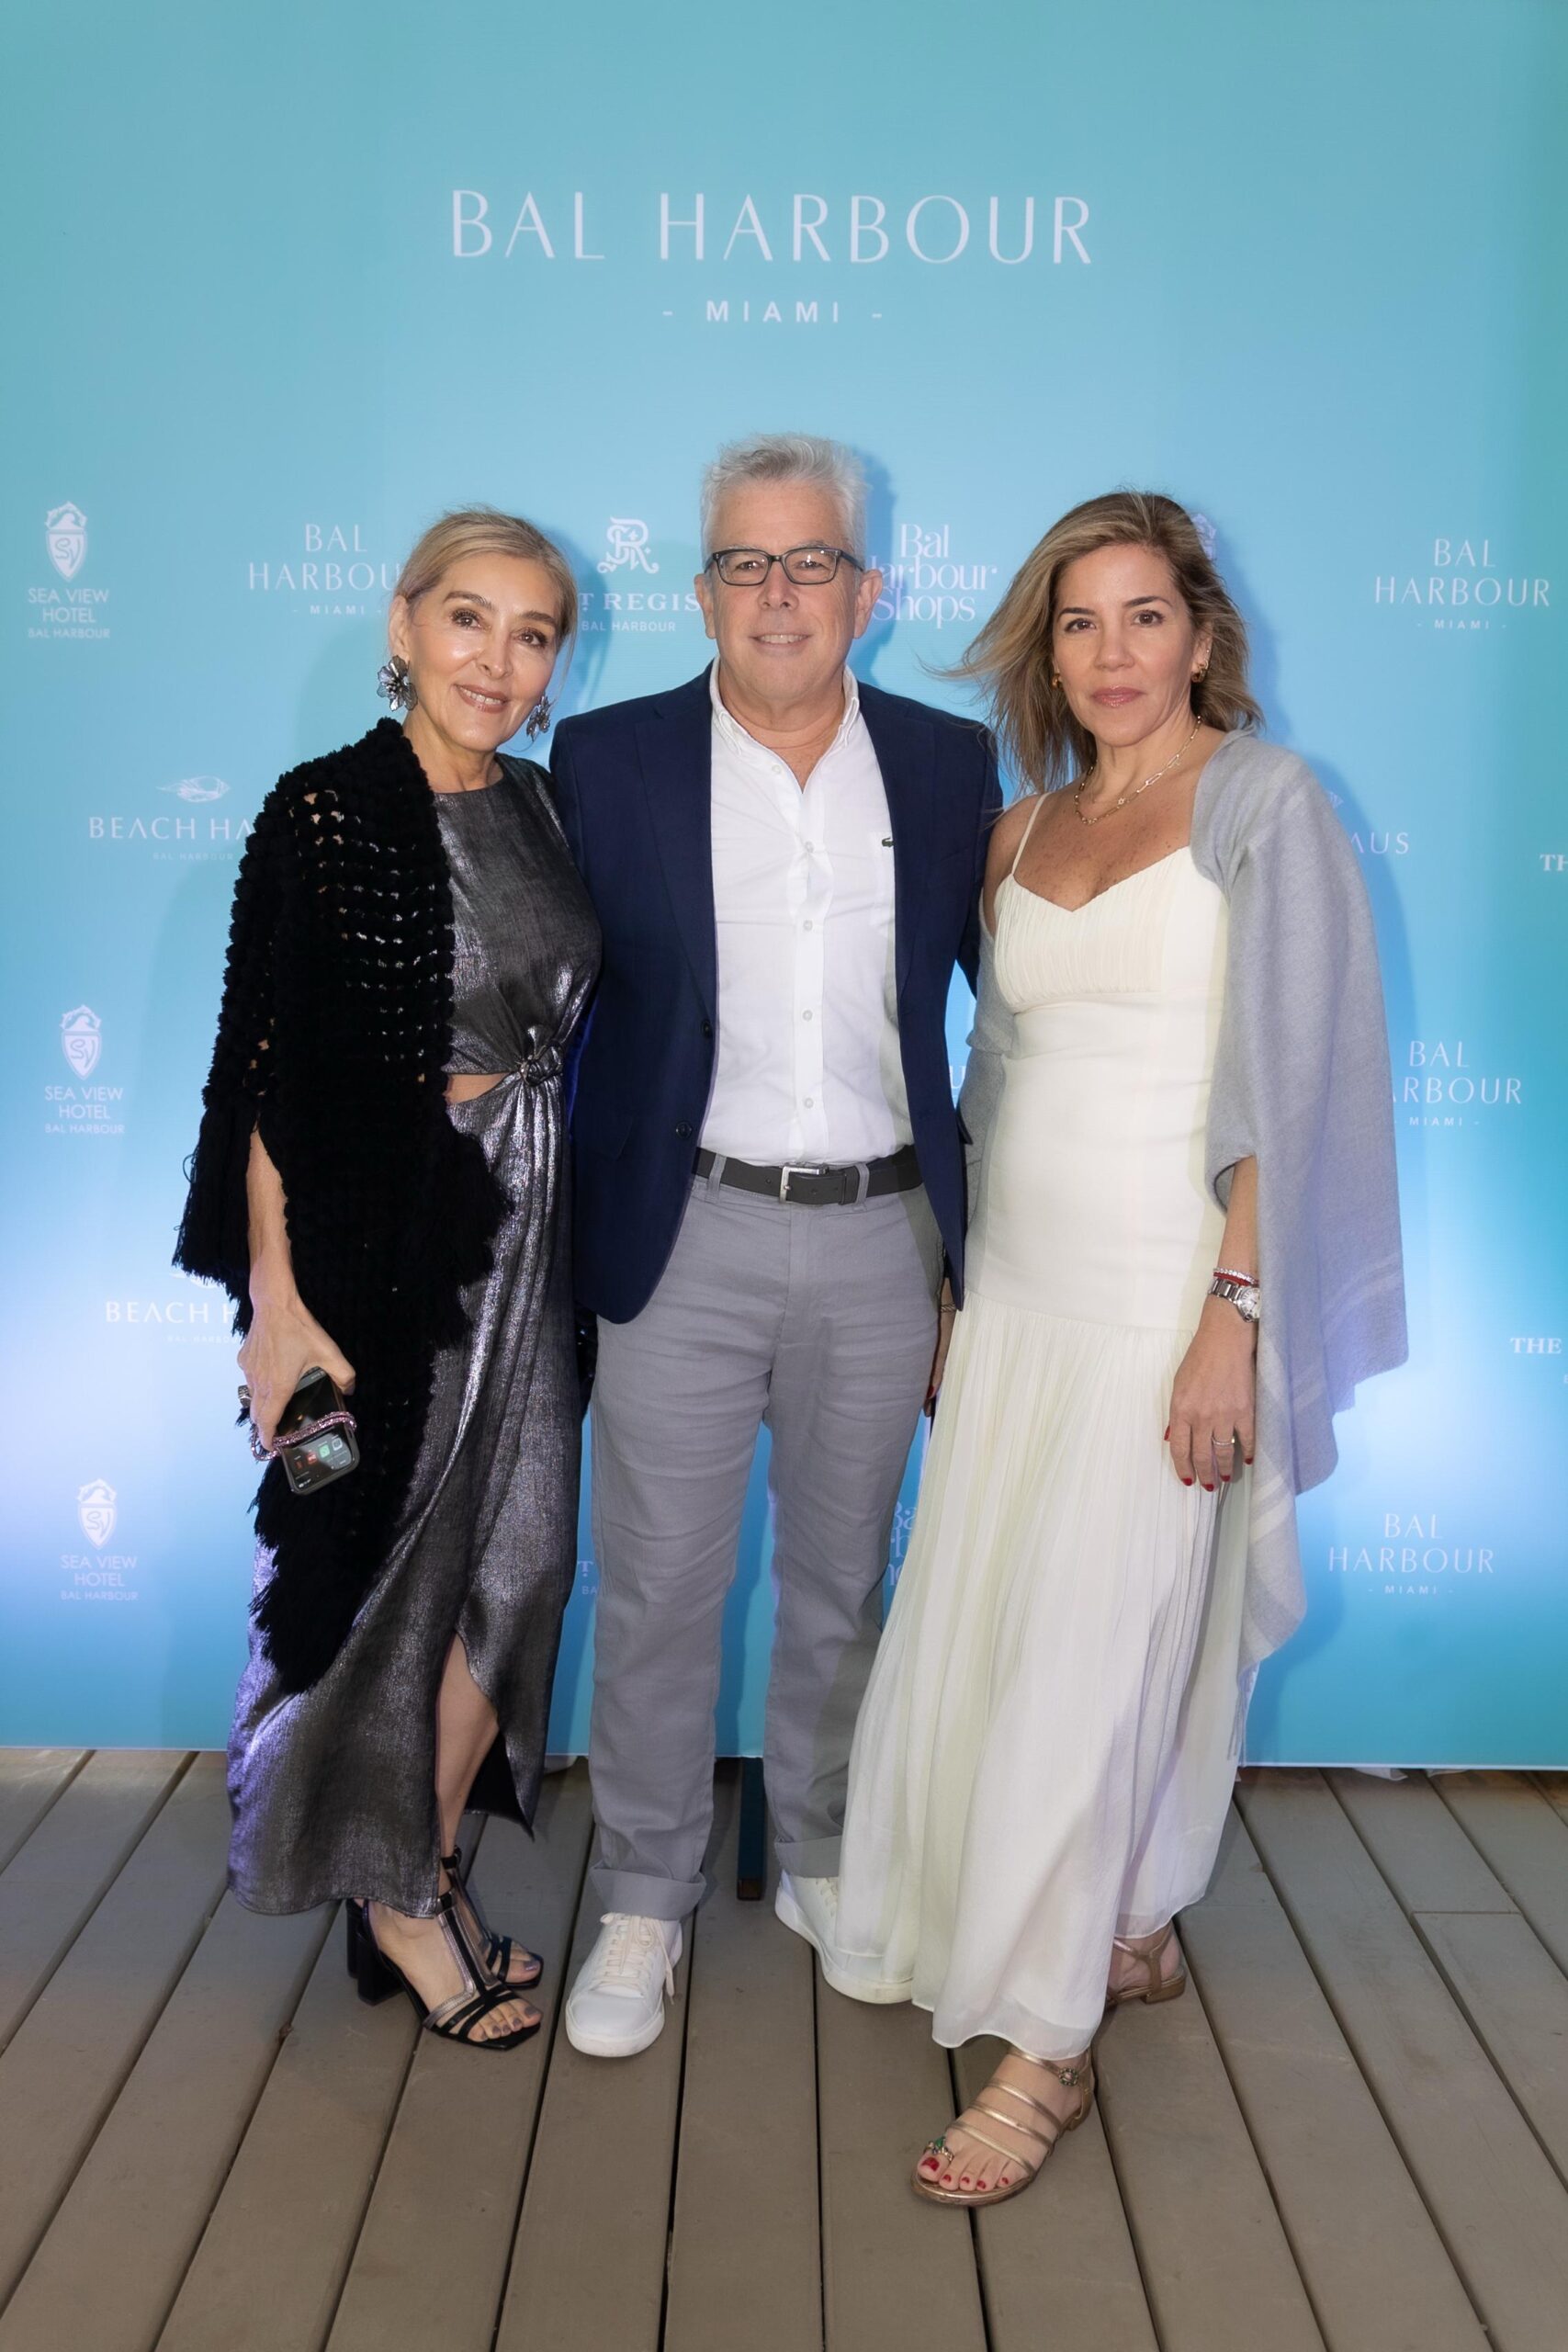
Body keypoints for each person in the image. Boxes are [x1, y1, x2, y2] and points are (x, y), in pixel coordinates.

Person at [831, 491, 1406, 2203]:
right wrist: (951, 1291)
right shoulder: (1018, 834)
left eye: (1145, 615)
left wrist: (1236, 1316)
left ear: (1203, 634)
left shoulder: (1269, 804)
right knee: (1014, 1630)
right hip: (1018, 1299)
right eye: (1079, 622)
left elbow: (1291, 1082)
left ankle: (1049, 2044)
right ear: (1048, 649)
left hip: (1172, 1301)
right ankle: (1126, 1920)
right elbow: (989, 1082)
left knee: (1104, 1644)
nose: (1113, 652)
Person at [549, 433, 1001, 2057]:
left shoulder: (950, 767)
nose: (779, 592)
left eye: (813, 561)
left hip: (884, 1235)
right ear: (703, 592)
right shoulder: (605, 760)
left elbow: (1015, 1013)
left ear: (868, 591)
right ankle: (643, 1894)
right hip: (681, 1230)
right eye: (746, 562)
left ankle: (819, 1851)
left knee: (840, 1580)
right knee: (660, 1587)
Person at [175, 508, 601, 2050]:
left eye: (533, 634)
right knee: (378, 1580)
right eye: (469, 619)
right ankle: (402, 1896)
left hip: (535, 1234)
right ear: (405, 624)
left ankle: (408, 1859)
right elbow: (263, 1075)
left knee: (524, 1568)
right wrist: (278, 1303)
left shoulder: (543, 807)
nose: (498, 660)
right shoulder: (329, 813)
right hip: (383, 1247)